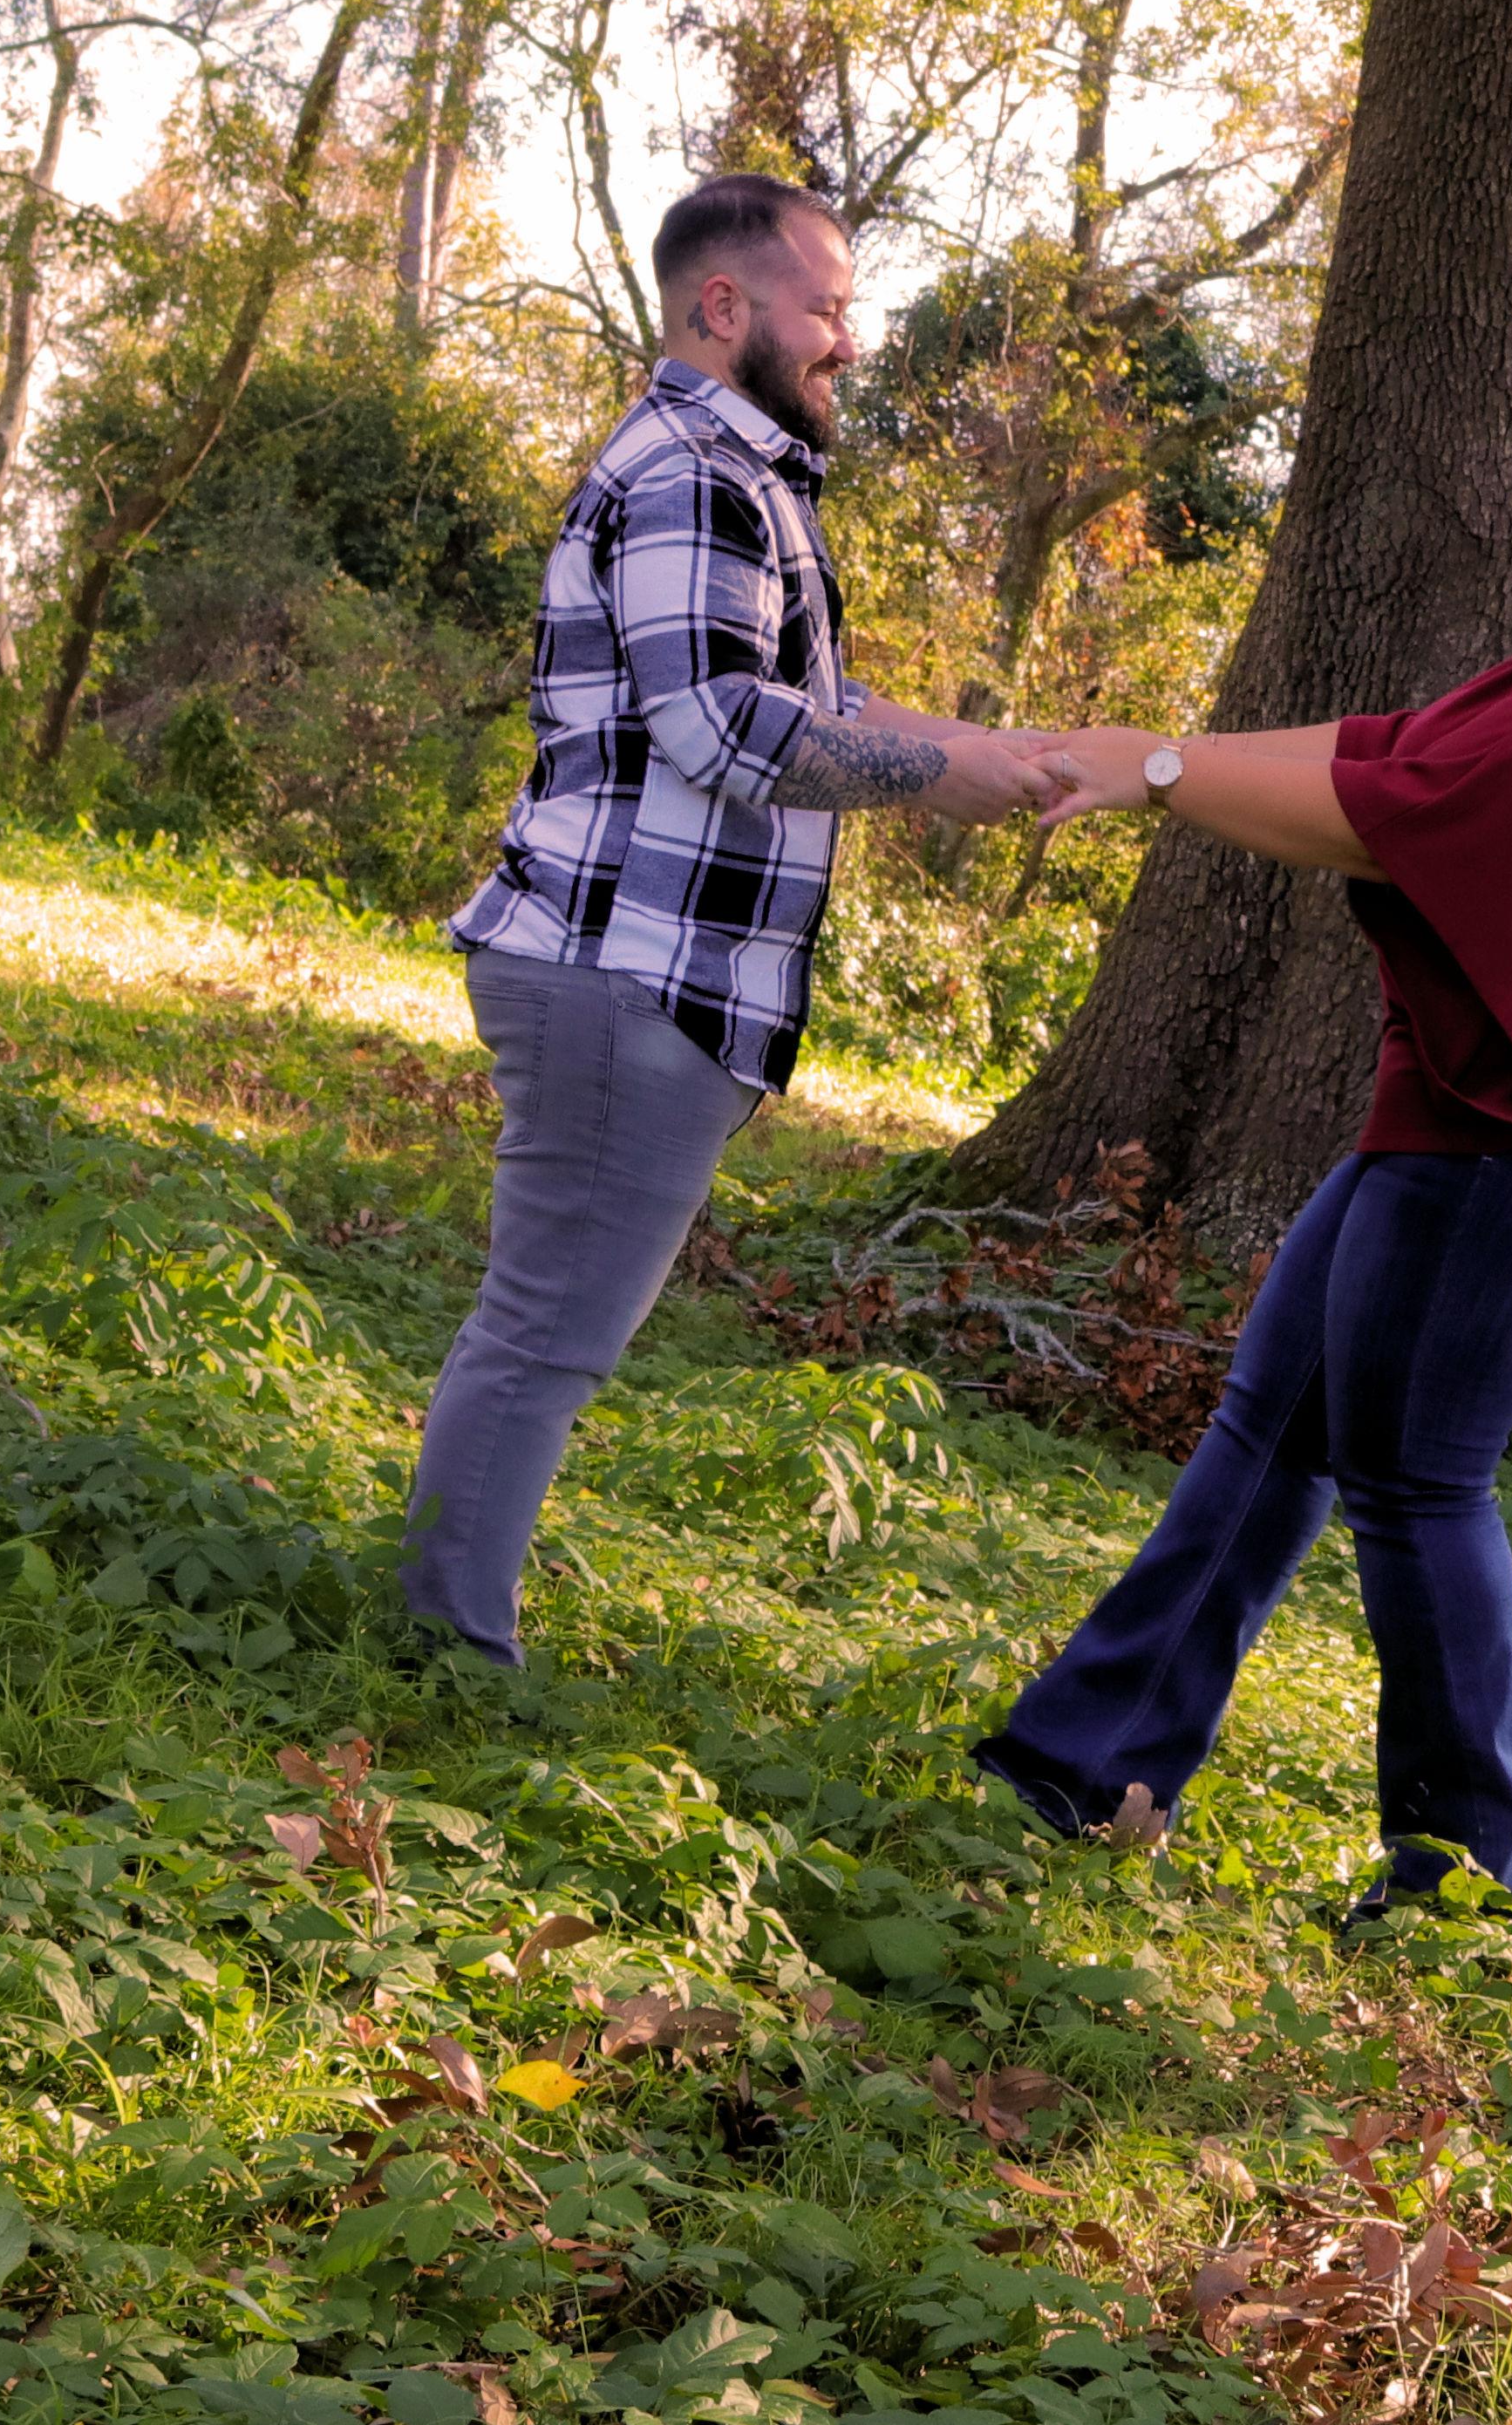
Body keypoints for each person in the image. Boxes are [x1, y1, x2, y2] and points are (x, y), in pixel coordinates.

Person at [980, 343, 1512, 1921]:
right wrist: (1139, 751)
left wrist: (1155, 775)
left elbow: (1387, 819)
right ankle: (1088, 1757)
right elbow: (1379, 755)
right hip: (1467, 1106)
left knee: (1416, 1473)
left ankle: (1474, 1874)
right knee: (1274, 1421)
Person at [405, 174, 1049, 1665]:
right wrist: (934, 772)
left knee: (549, 1327)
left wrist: (989, 757)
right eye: (826, 306)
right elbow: (720, 729)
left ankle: (449, 1625)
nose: (850, 340)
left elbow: (805, 709)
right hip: (618, 969)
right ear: (723, 306)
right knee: (546, 1331)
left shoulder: (738, 478)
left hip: (647, 974)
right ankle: (447, 1657)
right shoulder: (694, 469)